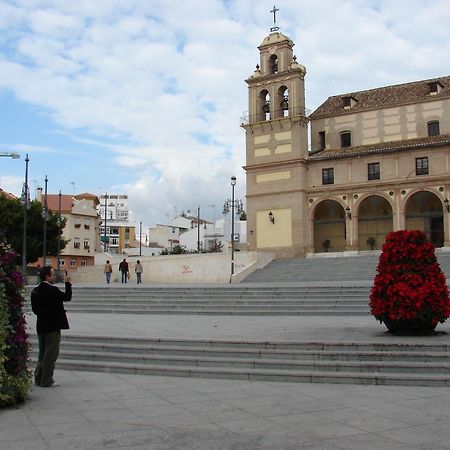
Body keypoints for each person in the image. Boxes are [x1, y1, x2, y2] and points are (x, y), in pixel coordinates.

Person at [31, 266, 72, 388]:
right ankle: (47, 380)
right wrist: (68, 283)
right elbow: (67, 297)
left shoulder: (35, 291)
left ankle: (39, 378)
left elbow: (35, 310)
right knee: (51, 354)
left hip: (41, 326)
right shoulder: (52, 290)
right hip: (53, 327)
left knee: (42, 353)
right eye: (53, 275)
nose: (54, 276)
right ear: (47, 276)